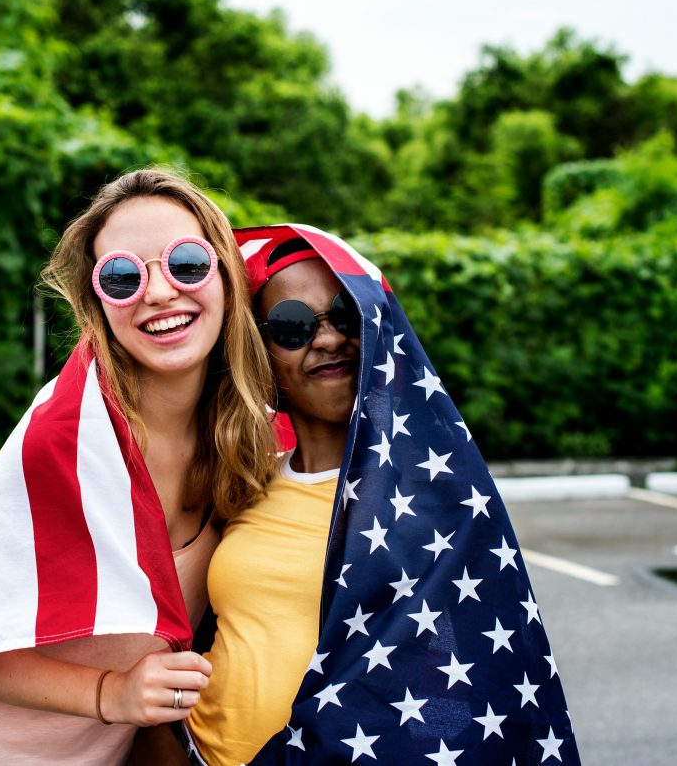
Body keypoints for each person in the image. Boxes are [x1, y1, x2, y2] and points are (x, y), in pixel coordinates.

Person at [0, 169, 278, 766]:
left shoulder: (254, 439)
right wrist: (112, 693)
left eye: (186, 263)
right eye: (123, 276)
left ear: (228, 275)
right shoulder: (62, 440)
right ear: (99, 304)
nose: (159, 292)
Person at [186, 224, 581, 764]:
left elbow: (456, 691)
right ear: (259, 353)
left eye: (345, 316)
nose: (328, 339)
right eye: (292, 325)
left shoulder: (436, 497)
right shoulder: (242, 484)